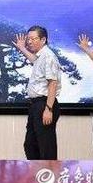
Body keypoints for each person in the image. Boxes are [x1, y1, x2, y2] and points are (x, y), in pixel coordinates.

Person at [13, 25, 61, 160]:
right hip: (35, 105)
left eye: (33, 39)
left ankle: (49, 172)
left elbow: (52, 83)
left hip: (44, 104)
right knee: (30, 145)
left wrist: (48, 109)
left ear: (43, 39)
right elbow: (34, 60)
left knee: (46, 146)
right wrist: (22, 48)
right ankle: (36, 172)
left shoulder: (48, 56)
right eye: (28, 39)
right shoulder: (40, 56)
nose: (29, 42)